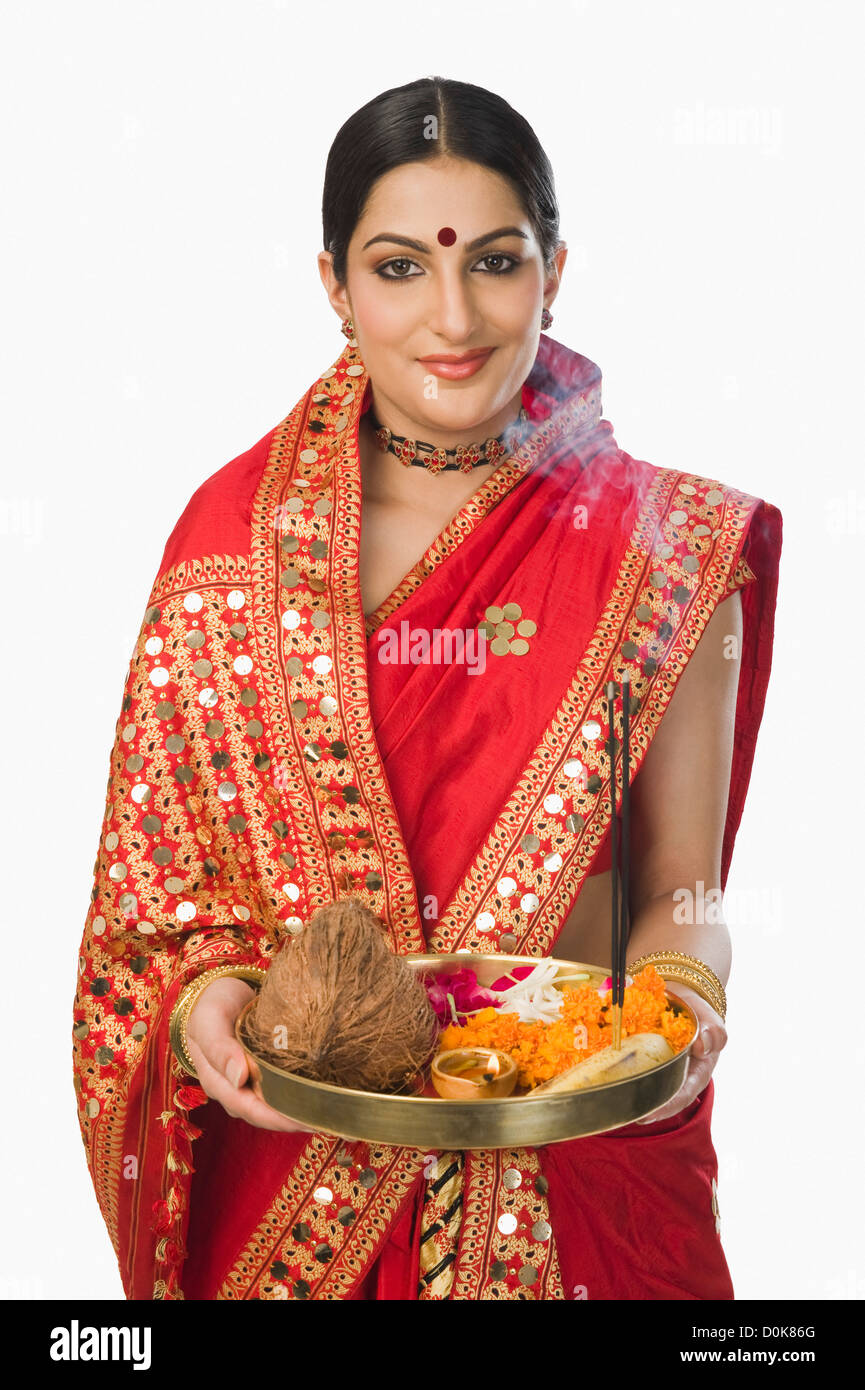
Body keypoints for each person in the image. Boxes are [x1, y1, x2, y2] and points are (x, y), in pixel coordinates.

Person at [72, 75, 782, 1301]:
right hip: (299, 1189)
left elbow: (679, 880)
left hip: (583, 1173)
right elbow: (157, 914)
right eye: (399, 268)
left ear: (555, 269)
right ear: (333, 286)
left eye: (495, 261)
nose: (452, 317)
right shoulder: (226, 549)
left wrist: (680, 1009)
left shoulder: (667, 543)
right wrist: (205, 1009)